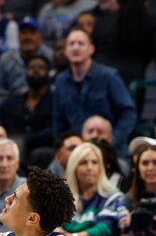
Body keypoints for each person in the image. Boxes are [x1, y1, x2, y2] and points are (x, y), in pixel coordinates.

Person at [52, 29, 137, 157]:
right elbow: (58, 121)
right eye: (71, 44)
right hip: (76, 152)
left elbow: (128, 113)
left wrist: (113, 140)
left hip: (111, 151)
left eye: (81, 43)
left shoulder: (109, 76)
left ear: (91, 49)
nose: (75, 48)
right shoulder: (61, 81)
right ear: (65, 51)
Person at [61, 143, 123, 236]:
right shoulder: (64, 198)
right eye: (83, 163)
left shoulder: (113, 196)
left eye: (94, 163)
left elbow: (103, 232)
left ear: (100, 168)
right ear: (74, 168)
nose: (89, 167)